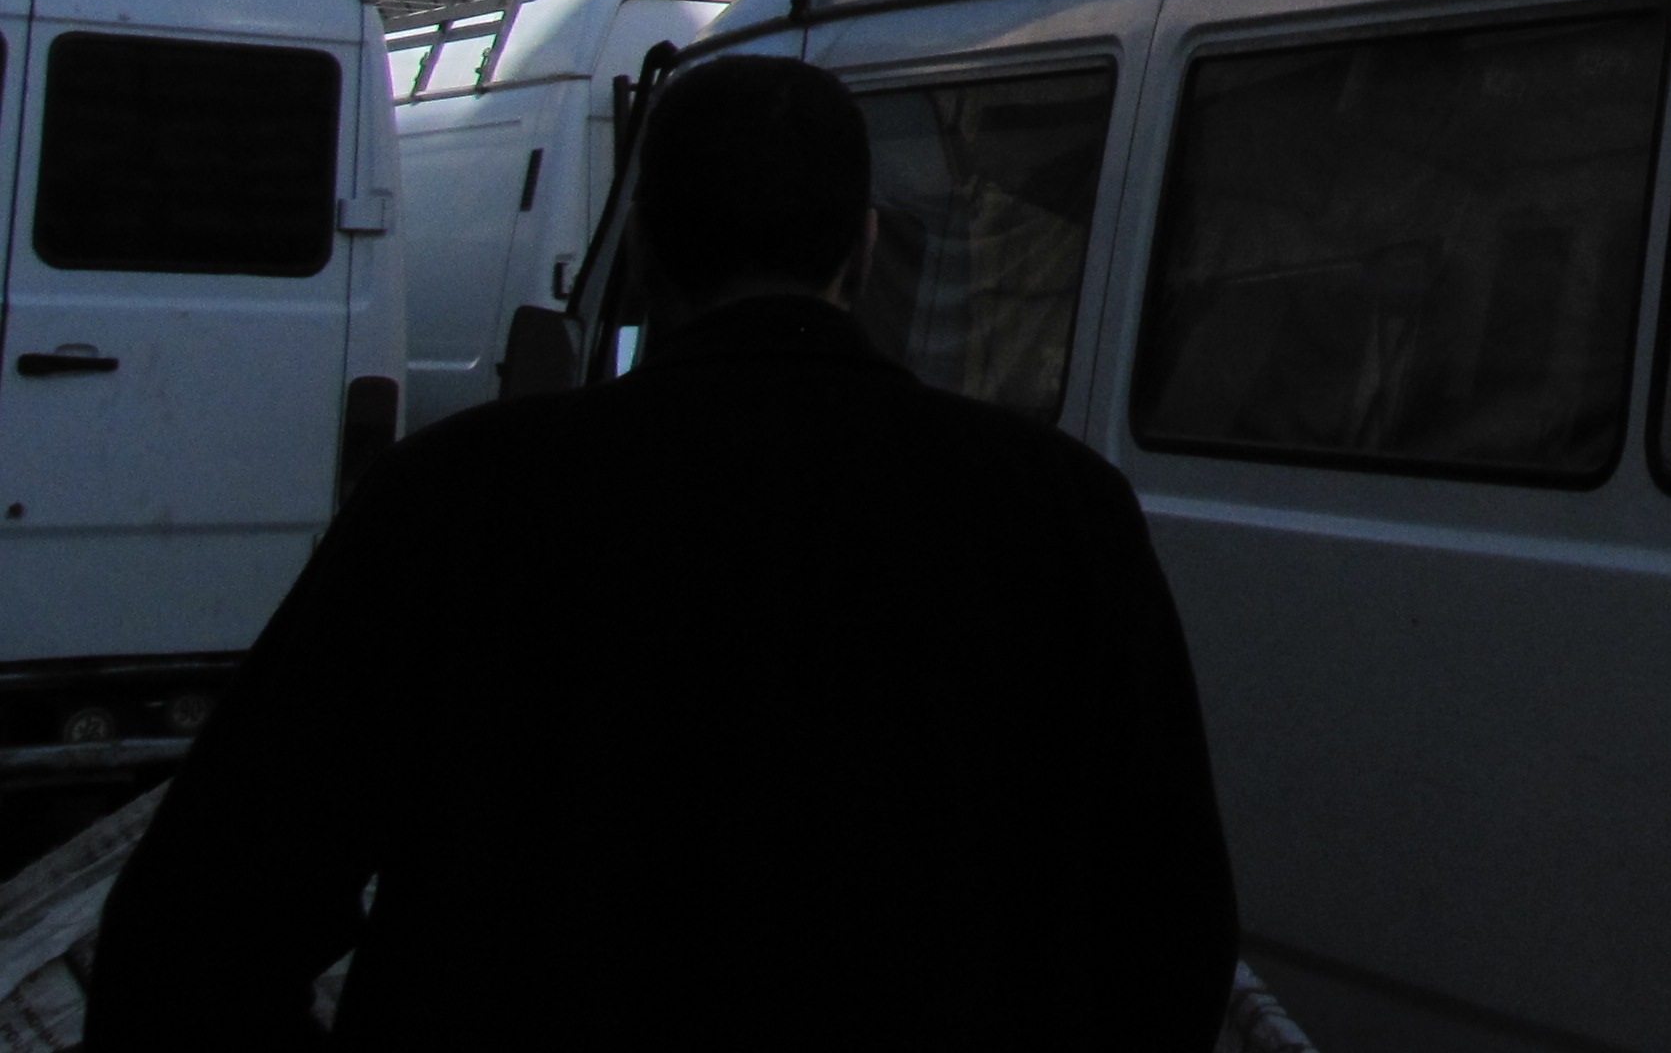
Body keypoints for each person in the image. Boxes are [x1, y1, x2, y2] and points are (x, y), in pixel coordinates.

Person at [83, 55, 1236, 1053]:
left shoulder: (457, 501)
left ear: (640, 250)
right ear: (864, 245)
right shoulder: (1058, 514)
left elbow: (199, 931)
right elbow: (1166, 931)